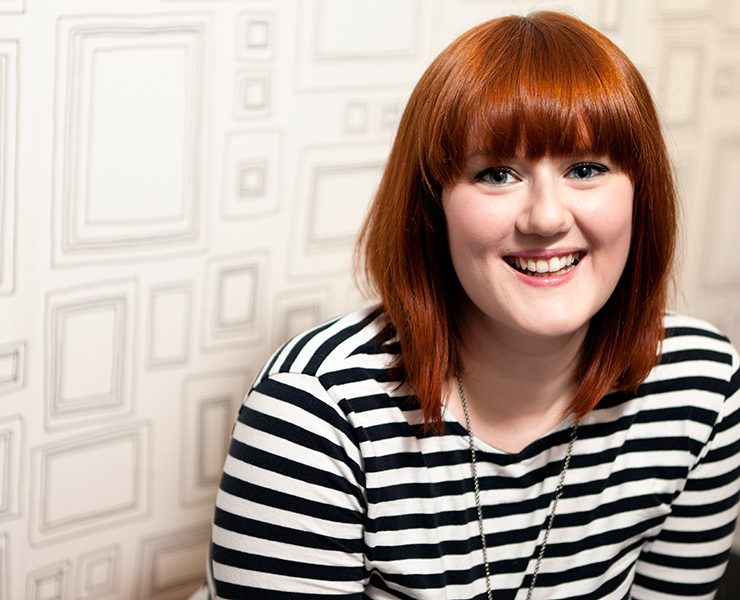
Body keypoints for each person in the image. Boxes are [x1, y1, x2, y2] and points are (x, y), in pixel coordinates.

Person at [200, 11, 740, 599]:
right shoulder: (315, 414)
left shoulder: (702, 387)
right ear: (433, 209)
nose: (546, 218)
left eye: (586, 169)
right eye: (497, 173)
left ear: (642, 194)